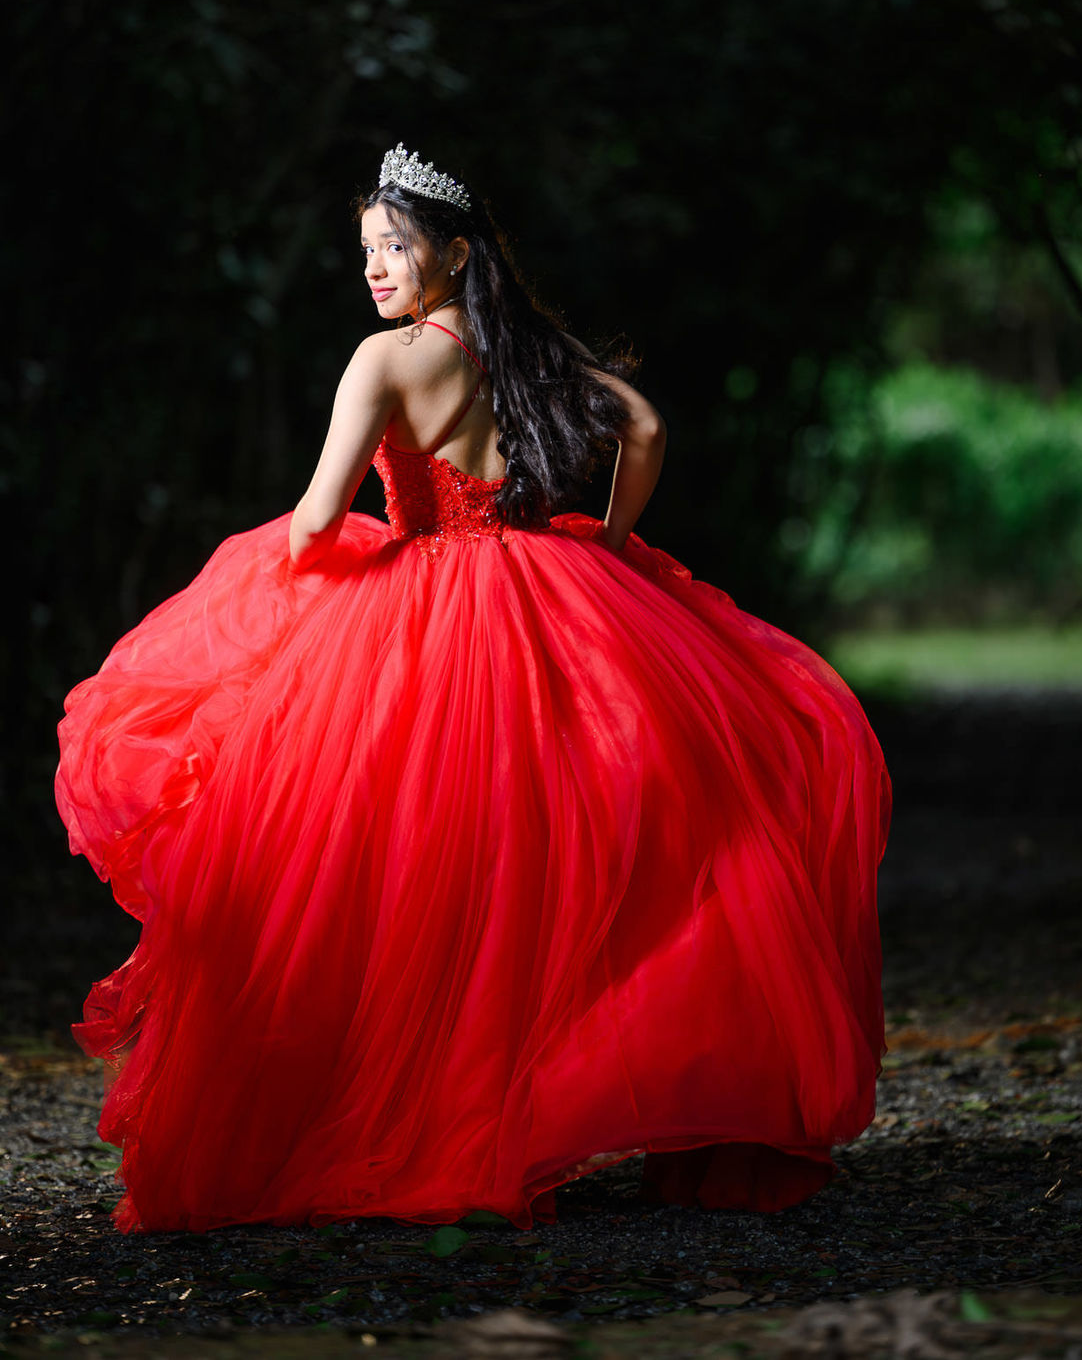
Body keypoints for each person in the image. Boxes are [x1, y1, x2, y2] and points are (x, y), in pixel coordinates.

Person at [56, 143, 891, 1236]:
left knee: (411, 870)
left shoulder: (384, 362)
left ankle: (438, 1117)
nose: (376, 268)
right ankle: (530, 1109)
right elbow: (641, 425)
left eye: (395, 248)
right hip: (553, 595)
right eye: (365, 251)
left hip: (420, 616)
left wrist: (298, 586)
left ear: (453, 252)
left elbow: (314, 519)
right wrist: (614, 535)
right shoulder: (523, 348)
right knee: (539, 865)